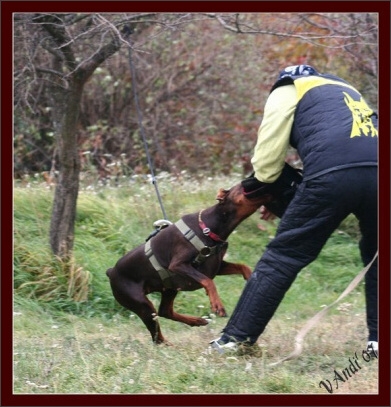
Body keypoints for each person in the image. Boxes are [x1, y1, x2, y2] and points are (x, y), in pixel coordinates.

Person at [209, 64, 378, 355]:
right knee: (379, 253)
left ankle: (236, 341)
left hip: (332, 175)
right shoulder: (344, 88)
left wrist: (273, 193)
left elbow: (266, 166)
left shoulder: (288, 88)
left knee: (284, 256)